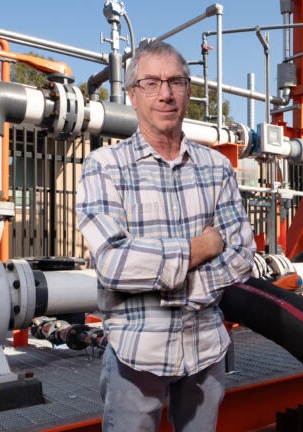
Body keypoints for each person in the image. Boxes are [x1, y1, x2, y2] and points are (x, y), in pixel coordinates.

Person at [76, 40, 256, 431]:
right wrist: (203, 247)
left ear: (189, 91)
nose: (165, 93)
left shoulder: (216, 167)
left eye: (175, 81)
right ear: (132, 95)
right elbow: (115, 264)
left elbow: (242, 253)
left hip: (205, 352)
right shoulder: (105, 167)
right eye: (151, 83)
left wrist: (173, 285)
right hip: (136, 354)